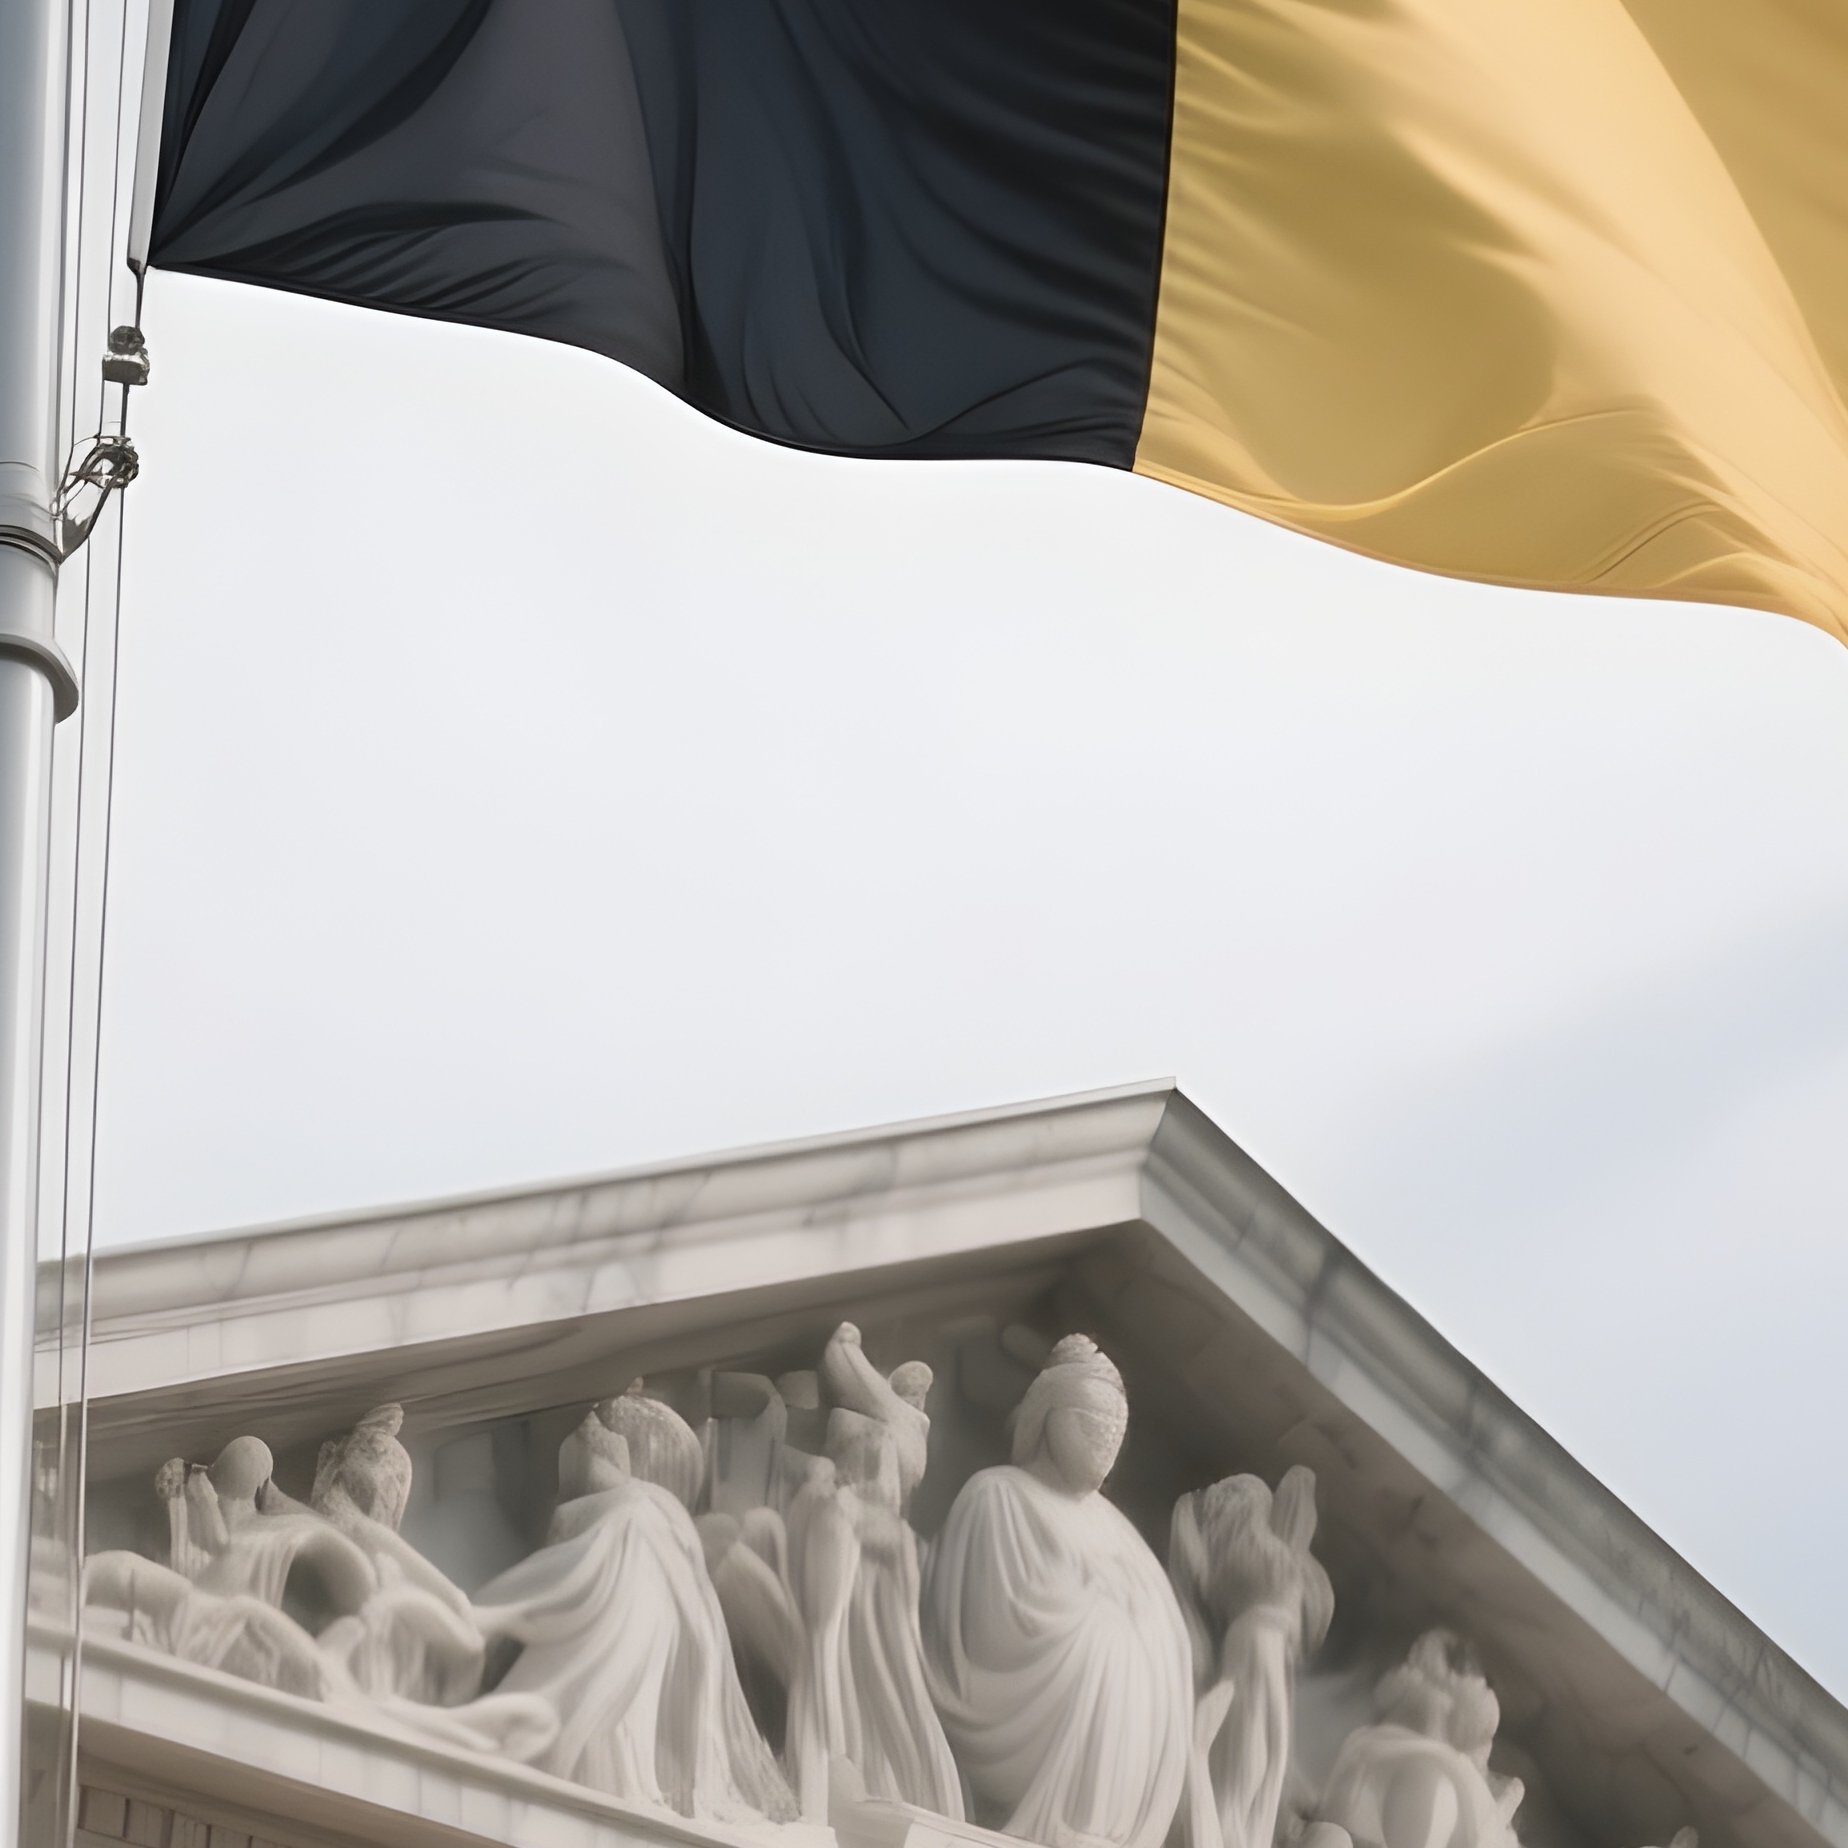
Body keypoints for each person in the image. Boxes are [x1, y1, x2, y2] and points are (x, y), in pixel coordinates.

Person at [923, 1335, 1192, 1848]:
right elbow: (989, 1625)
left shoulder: (1119, 1529)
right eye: (1092, 1422)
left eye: (1117, 1428)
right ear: (1047, 1414)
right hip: (1023, 1719)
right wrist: (1099, 1609)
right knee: (1108, 1630)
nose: (1107, 1439)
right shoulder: (998, 1493)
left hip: (1123, 1777)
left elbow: (1170, 1640)